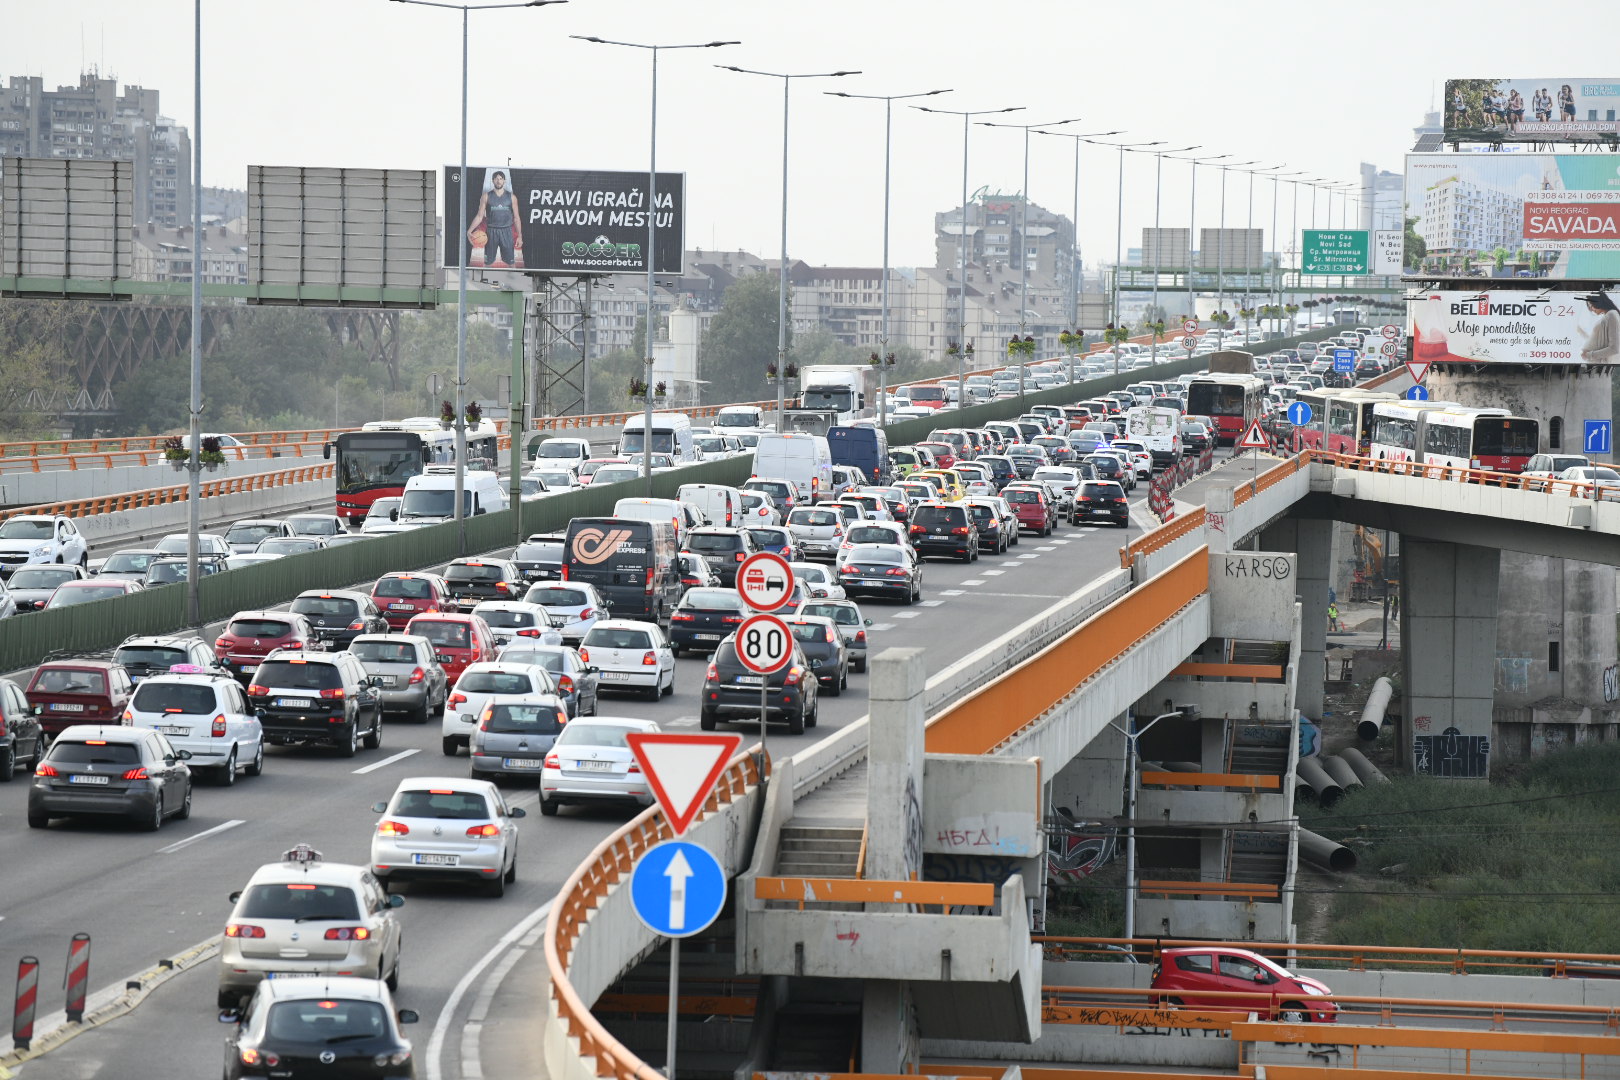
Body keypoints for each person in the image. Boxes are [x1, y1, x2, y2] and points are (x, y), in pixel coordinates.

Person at [466, 170, 522, 269]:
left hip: (507, 232)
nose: (498, 181)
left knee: (512, 263)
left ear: (504, 181)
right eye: (496, 179)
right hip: (491, 232)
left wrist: (520, 236)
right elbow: (479, 216)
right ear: (493, 180)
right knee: (487, 263)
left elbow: (517, 218)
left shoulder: (512, 197)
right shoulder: (486, 196)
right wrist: (470, 230)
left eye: (501, 179)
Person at [1580, 292, 1620, 365]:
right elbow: (1597, 341)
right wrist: (1581, 332)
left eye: (1591, 305)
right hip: (1596, 364)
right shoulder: (1609, 316)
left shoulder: (1611, 315)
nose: (1591, 309)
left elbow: (1614, 348)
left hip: (1600, 365)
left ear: (1598, 302)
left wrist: (1589, 355)